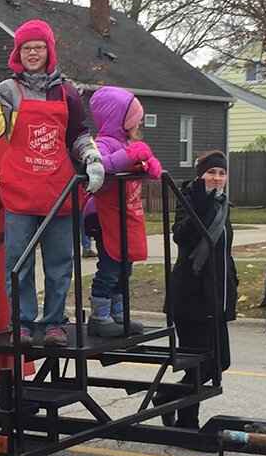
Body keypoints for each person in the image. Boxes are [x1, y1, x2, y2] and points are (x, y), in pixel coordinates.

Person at [0, 19, 105, 347]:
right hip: (19, 189)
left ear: (49, 51)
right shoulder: (7, 90)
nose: (32, 53)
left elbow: (78, 133)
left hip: (59, 191)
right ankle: (20, 323)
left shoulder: (67, 92)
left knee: (60, 262)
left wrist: (92, 159)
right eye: (26, 48)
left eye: (39, 47)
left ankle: (54, 323)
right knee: (18, 261)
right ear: (17, 53)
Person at [158, 150, 237, 429]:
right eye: (211, 172)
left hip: (216, 297)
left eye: (221, 173)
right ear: (200, 174)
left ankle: (167, 396)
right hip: (191, 297)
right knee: (198, 362)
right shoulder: (189, 199)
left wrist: (232, 285)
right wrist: (201, 206)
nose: (216, 178)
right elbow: (182, 235)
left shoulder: (222, 203)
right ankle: (188, 422)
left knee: (220, 362)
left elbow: (223, 252)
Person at [83, 86, 162, 337]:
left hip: (125, 214)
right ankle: (99, 315)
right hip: (102, 215)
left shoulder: (127, 142)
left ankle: (118, 312)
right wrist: (129, 155)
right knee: (110, 265)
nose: (137, 126)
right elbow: (100, 169)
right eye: (133, 121)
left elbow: (133, 165)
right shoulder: (102, 143)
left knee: (125, 266)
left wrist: (148, 166)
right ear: (120, 119)